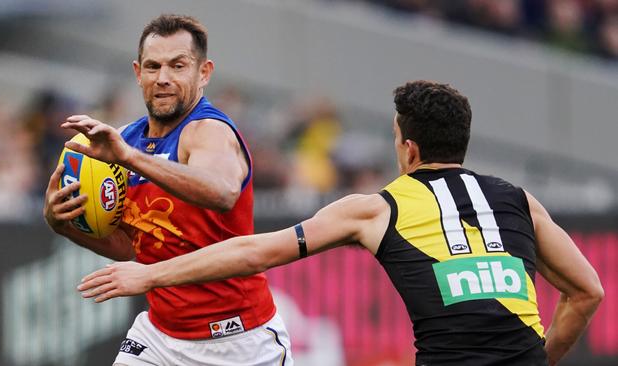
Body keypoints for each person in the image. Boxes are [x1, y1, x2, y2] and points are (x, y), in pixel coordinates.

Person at [78, 80, 604, 366]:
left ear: (408, 147)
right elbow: (587, 292)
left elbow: (255, 251)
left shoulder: (376, 208)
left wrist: (149, 275)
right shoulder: (521, 202)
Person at [43, 14, 292, 366]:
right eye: (153, 66)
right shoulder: (123, 141)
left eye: (178, 66)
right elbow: (132, 249)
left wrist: (129, 158)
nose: (163, 78)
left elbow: (222, 192)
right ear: (137, 73)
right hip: (158, 337)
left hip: (237, 339)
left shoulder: (207, 131)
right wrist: (61, 223)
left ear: (203, 72)